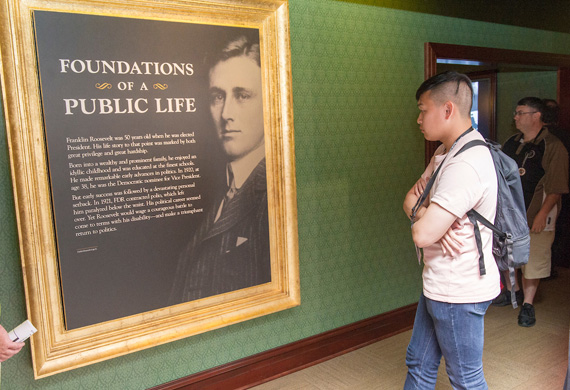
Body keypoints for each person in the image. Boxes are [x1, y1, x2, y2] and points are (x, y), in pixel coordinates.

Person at [403, 71, 500, 389]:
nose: (419, 119)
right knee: (419, 362)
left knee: (465, 378)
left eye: (422, 108)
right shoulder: (445, 153)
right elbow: (410, 202)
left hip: (459, 290)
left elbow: (421, 233)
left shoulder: (465, 163)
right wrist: (433, 219)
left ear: (447, 110)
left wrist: (429, 221)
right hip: (438, 280)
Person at [169, 31, 271, 303]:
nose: (226, 114)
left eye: (243, 95)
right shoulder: (220, 192)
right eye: (217, 97)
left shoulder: (271, 195)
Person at [497, 97, 569, 327]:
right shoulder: (511, 142)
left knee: (533, 259)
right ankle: (512, 293)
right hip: (509, 213)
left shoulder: (553, 145)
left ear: (536, 115)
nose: (515, 117)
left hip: (538, 213)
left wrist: (542, 213)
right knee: (508, 255)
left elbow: (557, 186)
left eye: (520, 112)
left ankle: (527, 304)